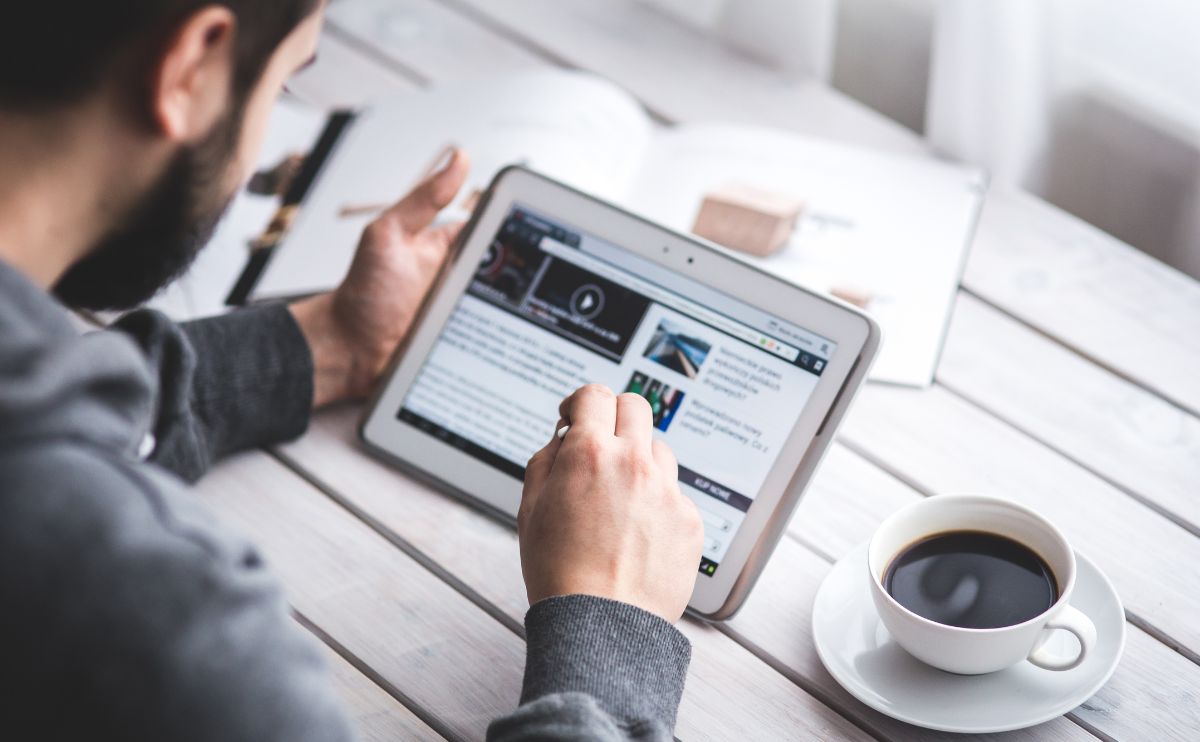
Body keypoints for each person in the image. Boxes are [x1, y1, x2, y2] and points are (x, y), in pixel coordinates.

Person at [0, 2, 705, 740]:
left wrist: (328, 342)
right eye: (281, 86)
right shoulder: (170, 634)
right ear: (191, 66)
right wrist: (610, 628)